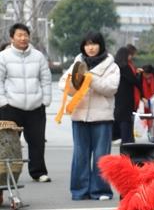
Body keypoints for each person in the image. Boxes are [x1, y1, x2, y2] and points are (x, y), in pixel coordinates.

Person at [61, 32, 120, 200]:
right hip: (79, 116)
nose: (90, 48)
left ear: (100, 45)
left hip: (102, 118)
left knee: (102, 156)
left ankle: (101, 190)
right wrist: (77, 82)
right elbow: (63, 85)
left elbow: (111, 88)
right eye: (87, 44)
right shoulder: (77, 63)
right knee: (80, 156)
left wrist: (90, 79)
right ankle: (79, 191)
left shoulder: (111, 66)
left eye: (94, 44)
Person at [0, 22, 53, 182]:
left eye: (25, 35)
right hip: (11, 106)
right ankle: (6, 173)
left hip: (35, 106)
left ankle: (38, 172)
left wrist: (45, 100)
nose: (23, 38)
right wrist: (3, 102)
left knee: (37, 141)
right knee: (8, 143)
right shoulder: (3, 56)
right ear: (12, 38)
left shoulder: (38, 56)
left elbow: (46, 78)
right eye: (19, 35)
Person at [113, 46, 142, 145]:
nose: (131, 57)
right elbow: (133, 80)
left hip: (117, 95)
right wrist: (138, 76)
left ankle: (122, 137)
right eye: (129, 55)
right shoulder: (125, 67)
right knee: (126, 118)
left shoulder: (115, 66)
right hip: (126, 96)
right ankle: (126, 139)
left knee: (120, 117)